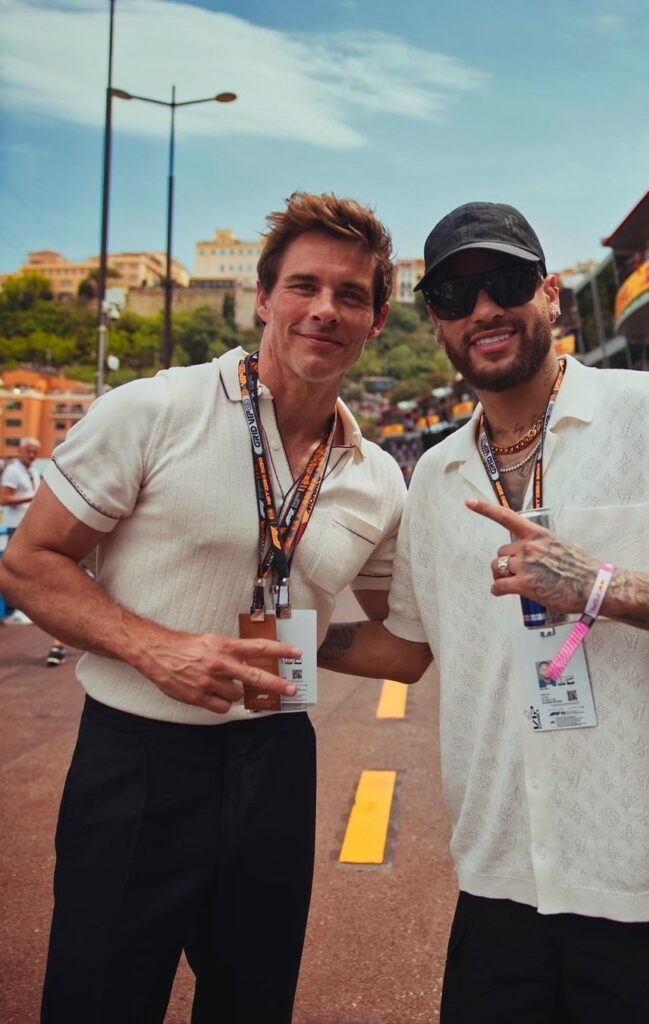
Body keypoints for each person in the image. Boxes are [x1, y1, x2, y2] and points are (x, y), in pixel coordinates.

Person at [317, 201, 649, 1022]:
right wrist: (273, 636)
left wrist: (598, 587)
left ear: (551, 295)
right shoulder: (437, 477)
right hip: (500, 881)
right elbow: (405, 649)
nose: (481, 309)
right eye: (452, 295)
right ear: (436, 325)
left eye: (505, 282)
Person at [0, 192, 421, 1024]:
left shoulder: (377, 477)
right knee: (99, 1001)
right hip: (134, 762)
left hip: (277, 761)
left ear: (375, 321)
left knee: (251, 1005)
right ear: (262, 299)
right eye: (303, 286)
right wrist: (156, 648)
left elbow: (399, 651)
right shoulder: (156, 409)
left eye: (351, 296)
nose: (324, 310)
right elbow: (29, 562)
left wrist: (277, 647)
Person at [1, 436, 41, 625]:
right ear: (20, 451)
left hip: (27, 525)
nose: (32, 455)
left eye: (35, 452)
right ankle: (10, 611)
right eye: (29, 451)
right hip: (14, 524)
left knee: (27, 569)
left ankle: (20, 608)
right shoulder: (12, 471)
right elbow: (4, 499)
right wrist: (32, 498)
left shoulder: (32, 470)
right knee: (13, 569)